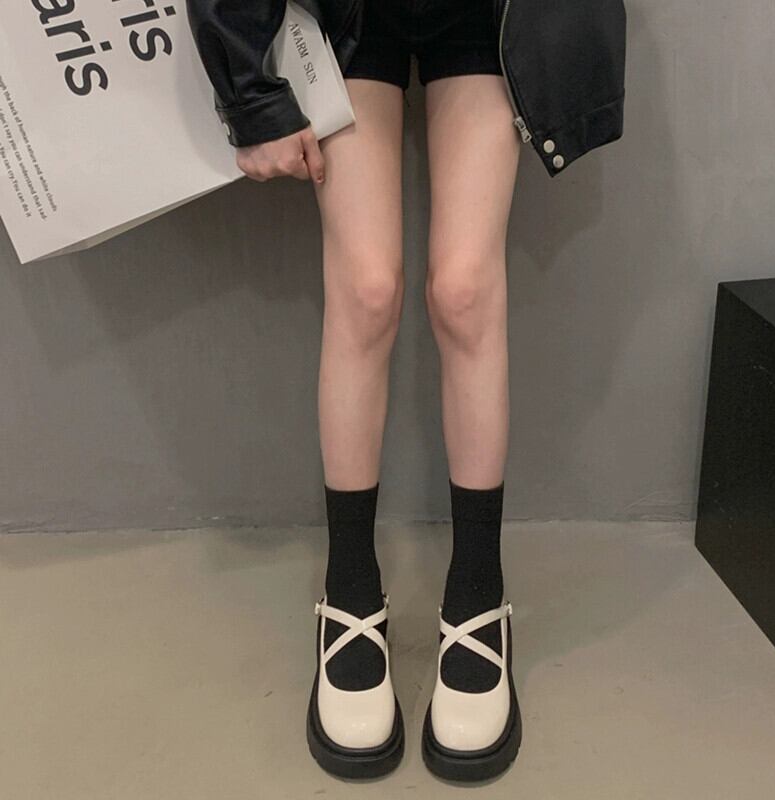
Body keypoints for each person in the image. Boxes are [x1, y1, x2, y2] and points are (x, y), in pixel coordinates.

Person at [191, 0, 525, 782]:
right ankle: (349, 586)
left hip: (487, 13)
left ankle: (478, 589)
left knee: (466, 292)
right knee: (366, 291)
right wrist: (249, 91)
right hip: (346, 14)